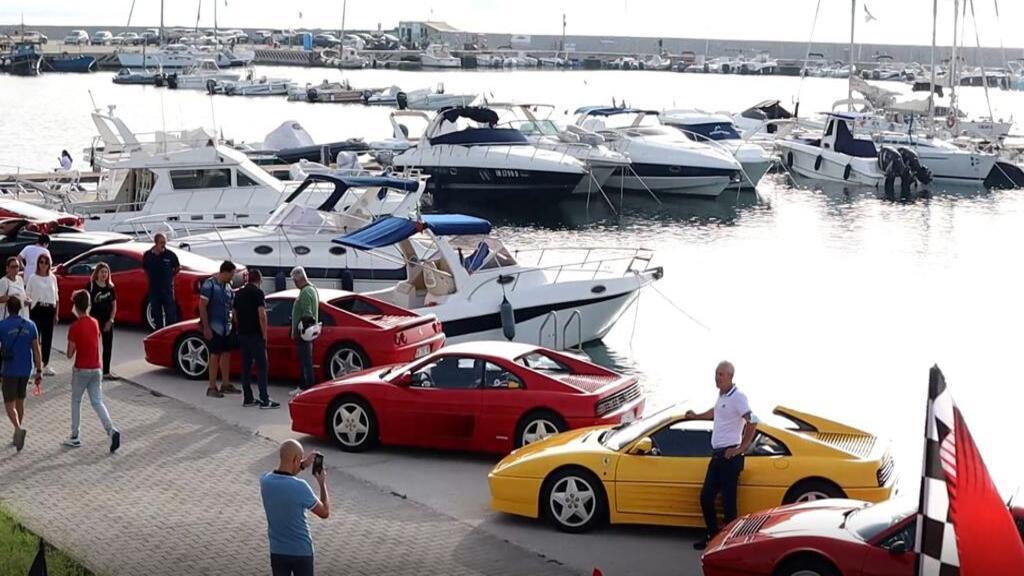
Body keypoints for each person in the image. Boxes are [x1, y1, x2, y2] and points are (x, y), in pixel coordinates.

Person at [685, 360, 756, 550]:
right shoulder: (723, 396)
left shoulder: (738, 397)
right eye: (716, 374)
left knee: (728, 503)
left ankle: (731, 544)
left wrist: (741, 448)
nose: (717, 378)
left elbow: (753, 420)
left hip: (730, 457)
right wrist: (696, 416)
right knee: (706, 497)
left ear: (730, 376)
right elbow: (715, 412)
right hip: (717, 456)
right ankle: (713, 535)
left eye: (721, 375)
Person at [261, 439, 329, 576]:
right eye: (299, 460)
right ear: (296, 460)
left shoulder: (265, 481)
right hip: (301, 552)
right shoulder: (301, 487)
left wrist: (303, 464)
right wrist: (322, 483)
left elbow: (285, 476)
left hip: (277, 551)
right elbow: (324, 513)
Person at [64, 290, 120, 453]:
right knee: (97, 401)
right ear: (89, 305)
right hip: (97, 368)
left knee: (76, 401)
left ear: (75, 307)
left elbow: (69, 353)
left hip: (81, 368)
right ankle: (111, 430)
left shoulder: (75, 327)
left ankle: (75, 435)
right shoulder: (95, 322)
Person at [0, 298, 42, 452]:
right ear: (20, 308)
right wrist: (39, 370)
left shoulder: (2, 326)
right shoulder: (30, 325)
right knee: (20, 401)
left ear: (7, 308)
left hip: (9, 369)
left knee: (9, 404)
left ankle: (18, 429)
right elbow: (36, 349)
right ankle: (16, 433)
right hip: (26, 369)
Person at [233, 269, 278, 409]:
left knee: (245, 366)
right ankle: (264, 399)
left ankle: (248, 398)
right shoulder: (258, 293)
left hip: (242, 334)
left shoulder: (239, 293)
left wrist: (240, 327)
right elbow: (262, 315)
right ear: (259, 279)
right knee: (262, 366)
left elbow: (234, 313)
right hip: (255, 335)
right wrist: (264, 335)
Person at [199, 261, 240, 398]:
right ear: (225, 272)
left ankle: (225, 384)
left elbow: (231, 305)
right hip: (214, 326)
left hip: (227, 327)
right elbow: (202, 306)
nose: (232, 277)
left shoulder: (228, 286)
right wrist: (206, 327)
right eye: (232, 274)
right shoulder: (210, 284)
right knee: (214, 355)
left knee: (226, 354)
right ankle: (211, 387)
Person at [25, 254, 58, 376]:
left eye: (46, 263)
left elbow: (56, 297)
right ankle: (36, 364)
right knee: (36, 338)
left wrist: (56, 314)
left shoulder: (52, 278)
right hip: (37, 309)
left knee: (47, 338)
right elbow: (27, 295)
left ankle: (46, 363)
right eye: (41, 262)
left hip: (49, 309)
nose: (43, 265)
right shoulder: (33, 278)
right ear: (38, 263)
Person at [289, 267, 319, 397]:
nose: (294, 283)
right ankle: (303, 385)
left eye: (294, 280)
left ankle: (307, 388)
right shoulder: (312, 289)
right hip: (308, 332)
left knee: (306, 362)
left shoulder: (305, 292)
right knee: (305, 360)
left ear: (299, 279)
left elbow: (307, 314)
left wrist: (299, 329)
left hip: (304, 333)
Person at [142, 233, 180, 330]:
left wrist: (170, 277)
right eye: (161, 243)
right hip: (154, 290)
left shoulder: (170, 255)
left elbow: (177, 268)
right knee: (156, 314)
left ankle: (170, 333)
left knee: (171, 315)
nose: (164, 245)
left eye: (165, 242)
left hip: (167, 290)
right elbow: (145, 268)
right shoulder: (148, 255)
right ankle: (159, 333)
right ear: (156, 243)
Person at [88, 262, 118, 379]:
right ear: (97, 273)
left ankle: (106, 371)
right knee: (93, 346)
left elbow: (114, 305)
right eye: (102, 272)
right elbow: (86, 304)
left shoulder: (110, 287)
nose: (104, 274)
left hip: (107, 321)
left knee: (107, 346)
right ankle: (91, 369)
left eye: (106, 272)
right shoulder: (91, 286)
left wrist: (111, 320)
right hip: (94, 321)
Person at [0, 257, 29, 321]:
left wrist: (28, 300)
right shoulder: (3, 281)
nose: (15, 269)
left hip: (23, 316)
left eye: (17, 266)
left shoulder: (20, 279)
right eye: (13, 267)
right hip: (8, 318)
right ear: (7, 268)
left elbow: (23, 295)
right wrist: (13, 298)